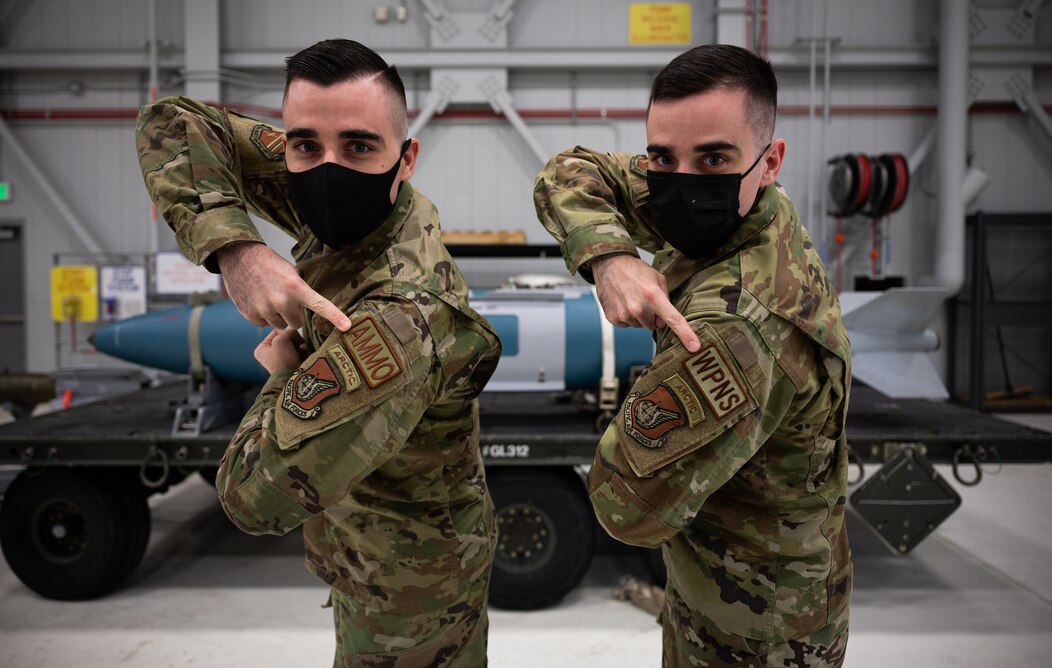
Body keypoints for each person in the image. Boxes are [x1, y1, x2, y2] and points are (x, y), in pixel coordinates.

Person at [136, 39, 502, 666]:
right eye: (305, 145)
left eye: (359, 146)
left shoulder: (398, 317)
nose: (328, 167)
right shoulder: (365, 211)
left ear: (406, 158)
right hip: (362, 550)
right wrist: (238, 250)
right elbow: (172, 121)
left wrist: (281, 376)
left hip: (411, 597)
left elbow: (253, 498)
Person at [533, 44, 852, 667]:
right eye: (662, 157)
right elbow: (569, 169)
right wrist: (611, 256)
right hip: (727, 587)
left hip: (754, 630)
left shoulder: (738, 323)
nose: (681, 183)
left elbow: (625, 507)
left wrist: (651, 394)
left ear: (770, 160)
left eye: (713, 158)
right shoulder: (751, 209)